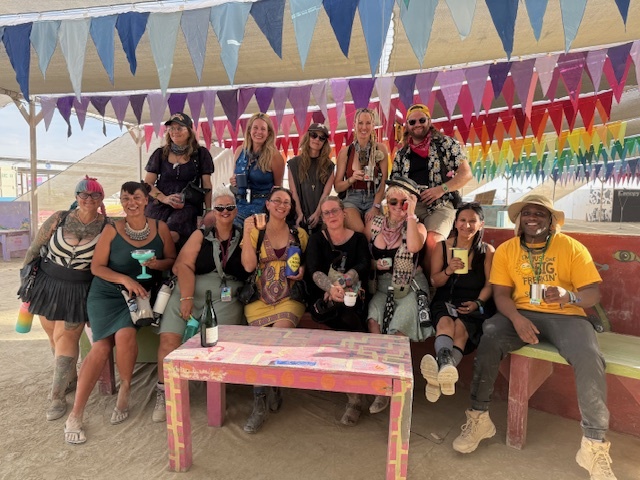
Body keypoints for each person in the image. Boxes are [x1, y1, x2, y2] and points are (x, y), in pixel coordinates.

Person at [451, 194, 616, 480]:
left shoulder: (571, 247)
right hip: (521, 313)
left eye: (540, 213)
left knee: (589, 355)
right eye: (527, 212)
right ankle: (479, 418)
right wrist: (516, 318)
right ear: (518, 219)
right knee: (490, 332)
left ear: (551, 220)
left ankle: (594, 444)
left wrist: (570, 295)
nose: (532, 217)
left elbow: (593, 293)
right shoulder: (507, 249)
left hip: (566, 315)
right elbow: (501, 295)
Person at [64, 181, 176, 445]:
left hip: (138, 296)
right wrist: (125, 280)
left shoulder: (160, 228)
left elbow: (171, 259)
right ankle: (76, 414)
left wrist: (156, 263)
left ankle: (125, 388)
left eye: (136, 197)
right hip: (106, 293)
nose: (131, 203)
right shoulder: (113, 229)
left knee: (126, 335)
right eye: (126, 198)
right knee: (101, 346)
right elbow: (97, 267)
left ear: (147, 200)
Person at [152, 186, 249, 422]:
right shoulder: (200, 235)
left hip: (226, 292)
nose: (224, 212)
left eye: (229, 207)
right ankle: (163, 392)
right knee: (169, 339)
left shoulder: (244, 234)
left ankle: (214, 392)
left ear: (236, 211)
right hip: (191, 287)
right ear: (212, 211)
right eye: (219, 208)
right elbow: (181, 266)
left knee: (218, 343)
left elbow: (251, 266)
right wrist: (185, 297)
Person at [19, 176, 109, 422]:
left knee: (66, 337)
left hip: (78, 288)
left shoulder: (107, 225)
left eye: (95, 195)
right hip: (46, 284)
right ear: (76, 196)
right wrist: (24, 283)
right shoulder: (59, 218)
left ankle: (57, 396)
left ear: (101, 199)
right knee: (53, 336)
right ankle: (69, 380)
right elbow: (34, 250)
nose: (88, 199)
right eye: (84, 194)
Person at [240, 187, 308, 434]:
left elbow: (304, 265)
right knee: (260, 346)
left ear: (291, 208)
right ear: (267, 204)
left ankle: (267, 394)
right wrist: (249, 233)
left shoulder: (298, 233)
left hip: (289, 298)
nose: (282, 205)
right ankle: (262, 398)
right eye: (276, 201)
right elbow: (248, 266)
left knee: (276, 339)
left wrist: (301, 272)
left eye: (287, 202)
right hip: (259, 300)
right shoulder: (256, 231)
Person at [365, 176, 429, 414]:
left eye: (404, 202)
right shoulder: (373, 224)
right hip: (382, 286)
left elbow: (413, 247)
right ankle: (383, 381)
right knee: (374, 320)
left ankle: (392, 387)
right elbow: (365, 259)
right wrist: (375, 265)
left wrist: (410, 215)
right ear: (386, 203)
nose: (398, 207)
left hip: (410, 285)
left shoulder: (417, 226)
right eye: (393, 202)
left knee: (397, 330)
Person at [420, 202, 495, 403]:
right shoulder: (443, 247)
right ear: (456, 222)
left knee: (461, 327)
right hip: (446, 298)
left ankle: (437, 377)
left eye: (472, 221)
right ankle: (446, 371)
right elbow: (435, 281)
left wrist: (478, 302)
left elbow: (489, 286)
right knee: (446, 323)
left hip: (474, 303)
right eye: (462, 220)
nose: (467, 225)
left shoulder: (487, 251)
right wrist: (449, 270)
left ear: (481, 224)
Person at [305, 196, 370, 426]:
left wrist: (345, 281)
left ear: (343, 213)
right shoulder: (316, 240)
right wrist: (330, 289)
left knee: (349, 318)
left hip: (353, 296)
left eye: (334, 211)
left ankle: (355, 396)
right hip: (324, 300)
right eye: (326, 213)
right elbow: (313, 270)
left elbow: (363, 264)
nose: (331, 216)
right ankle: (356, 396)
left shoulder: (359, 239)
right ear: (322, 218)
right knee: (349, 325)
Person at [390, 104, 472, 275]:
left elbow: (466, 174)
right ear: (407, 126)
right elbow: (395, 185)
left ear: (429, 121)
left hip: (441, 204)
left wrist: (440, 190)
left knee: (433, 241)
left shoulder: (446, 144)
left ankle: (432, 283)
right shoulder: (402, 153)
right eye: (412, 122)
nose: (417, 124)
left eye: (422, 120)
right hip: (411, 206)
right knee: (399, 238)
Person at [144, 112, 214, 245]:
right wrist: (164, 198)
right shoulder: (160, 153)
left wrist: (208, 211)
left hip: (187, 205)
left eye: (179, 128)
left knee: (171, 235)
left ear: (189, 131)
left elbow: (207, 184)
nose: (174, 131)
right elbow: (147, 184)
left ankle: (167, 263)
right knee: (152, 235)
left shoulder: (201, 154)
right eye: (171, 128)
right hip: (159, 204)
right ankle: (152, 264)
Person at [334, 108, 389, 233]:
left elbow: (384, 181)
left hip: (373, 197)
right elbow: (337, 187)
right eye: (360, 123)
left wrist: (376, 206)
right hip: (351, 198)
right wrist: (351, 179)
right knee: (359, 231)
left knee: (372, 231)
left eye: (368, 123)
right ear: (354, 125)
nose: (364, 127)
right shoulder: (345, 152)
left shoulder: (380, 148)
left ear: (373, 125)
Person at [230, 112, 285, 227]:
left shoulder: (275, 156)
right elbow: (234, 178)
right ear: (249, 130)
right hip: (239, 206)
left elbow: (278, 189)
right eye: (255, 128)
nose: (259, 132)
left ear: (268, 133)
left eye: (263, 129)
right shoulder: (240, 150)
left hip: (262, 211)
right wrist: (233, 181)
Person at [287, 123, 335, 234]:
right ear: (308, 136)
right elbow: (293, 191)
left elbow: (326, 193)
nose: (317, 139)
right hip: (299, 215)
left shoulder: (329, 166)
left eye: (322, 138)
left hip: (321, 215)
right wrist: (299, 213)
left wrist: (318, 213)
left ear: (324, 142)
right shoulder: (294, 163)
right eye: (314, 135)